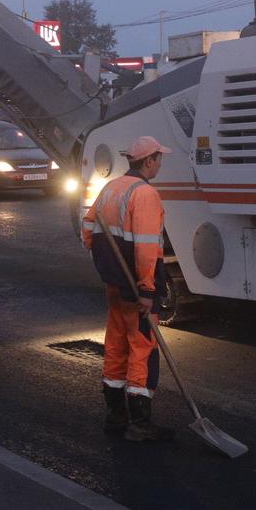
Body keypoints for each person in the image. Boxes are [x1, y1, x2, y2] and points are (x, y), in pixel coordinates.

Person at [81, 136, 175, 442]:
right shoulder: (145, 194)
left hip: (113, 281)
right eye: (159, 159)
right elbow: (147, 249)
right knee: (142, 348)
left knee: (117, 343)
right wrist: (147, 290)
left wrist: (106, 263)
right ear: (148, 161)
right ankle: (140, 423)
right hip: (136, 286)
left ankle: (116, 416)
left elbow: (88, 227)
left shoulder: (111, 188)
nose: (161, 164)